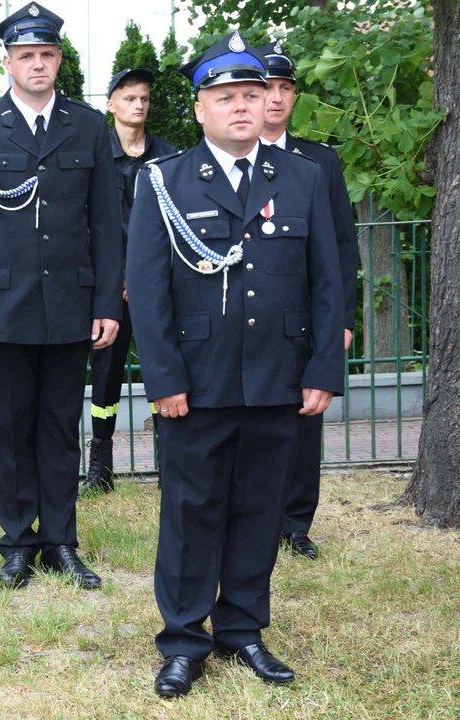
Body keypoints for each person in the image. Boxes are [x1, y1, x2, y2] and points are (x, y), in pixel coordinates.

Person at [126, 32, 345, 697]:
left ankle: (244, 628)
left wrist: (321, 370)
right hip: (196, 382)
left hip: (278, 377)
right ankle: (186, 640)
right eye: (227, 98)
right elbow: (149, 285)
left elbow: (329, 282)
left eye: (253, 96)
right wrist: (163, 378)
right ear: (200, 109)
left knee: (258, 509)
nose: (243, 108)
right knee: (191, 512)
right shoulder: (163, 182)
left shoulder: (304, 178)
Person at [0, 2, 123, 590]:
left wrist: (106, 305)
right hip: (4, 308)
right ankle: (18, 542)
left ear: (59, 60)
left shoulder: (90, 126)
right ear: (8, 61)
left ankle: (61, 542)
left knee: (59, 424)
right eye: (26, 56)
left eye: (46, 55)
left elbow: (108, 225)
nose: (37, 64)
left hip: (72, 302)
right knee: (13, 426)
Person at [257, 41, 360, 560]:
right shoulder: (232, 158)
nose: (275, 99)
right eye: (268, 88)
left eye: (285, 89)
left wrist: (342, 318)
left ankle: (296, 522)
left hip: (308, 314)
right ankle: (256, 515)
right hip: (254, 313)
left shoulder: (319, 162)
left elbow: (342, 246)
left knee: (304, 419)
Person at [80, 68, 178, 494]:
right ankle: (100, 466)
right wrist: (116, 278)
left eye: (144, 98)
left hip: (161, 286)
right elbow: (89, 225)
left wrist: (144, 276)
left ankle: (171, 461)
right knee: (105, 373)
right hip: (108, 288)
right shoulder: (93, 154)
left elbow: (176, 227)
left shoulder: (171, 158)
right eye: (130, 98)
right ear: (111, 104)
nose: (138, 105)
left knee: (167, 368)